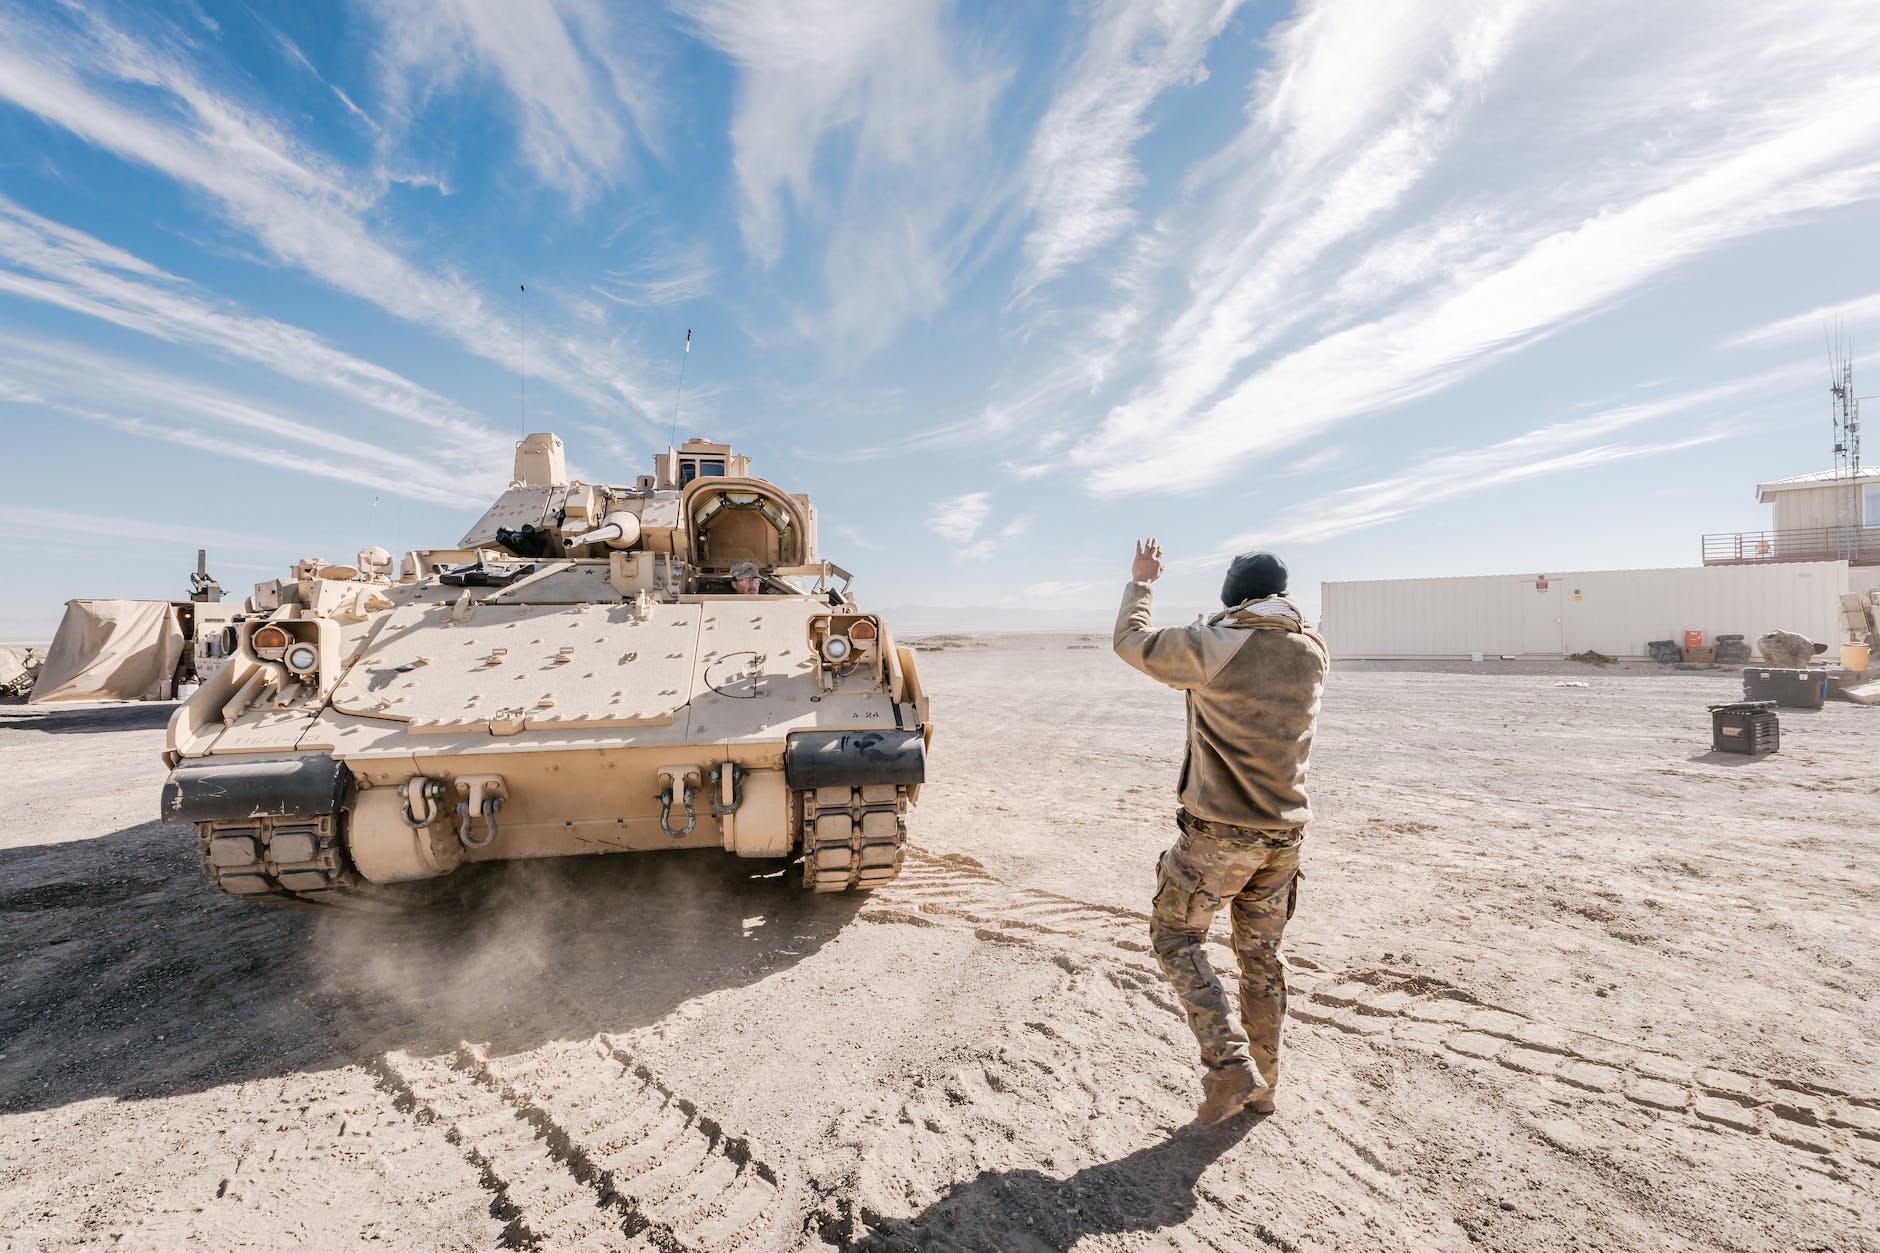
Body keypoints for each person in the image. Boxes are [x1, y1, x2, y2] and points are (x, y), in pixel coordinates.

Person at [1113, 538, 1329, 1125]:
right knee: (1261, 960)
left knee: (1175, 938)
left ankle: (1229, 1066)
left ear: (1235, 596)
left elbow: (1130, 641)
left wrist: (1143, 581)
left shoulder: (1217, 644)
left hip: (1219, 836)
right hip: (1284, 839)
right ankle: (1265, 1085)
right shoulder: (1312, 648)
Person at [1757, 629, 1828, 669]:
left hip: (1762, 641)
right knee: (1789, 669)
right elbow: (1801, 666)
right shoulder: (1808, 646)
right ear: (1815, 651)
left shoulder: (1803, 642)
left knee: (1773, 668)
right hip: (1774, 642)